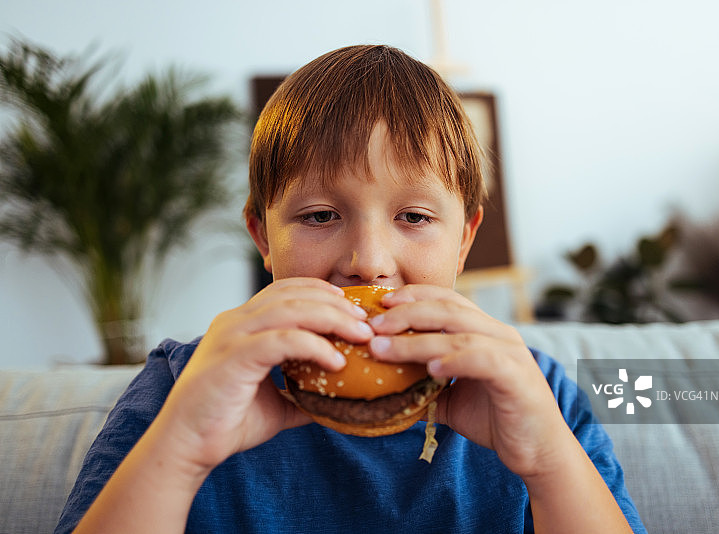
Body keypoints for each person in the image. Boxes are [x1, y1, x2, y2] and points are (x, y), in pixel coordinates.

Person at [56, 44, 645, 533]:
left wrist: (545, 460)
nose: (368, 263)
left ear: (464, 242)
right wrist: (181, 447)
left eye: (414, 217)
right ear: (263, 238)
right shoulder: (183, 387)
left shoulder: (535, 394)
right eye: (318, 216)